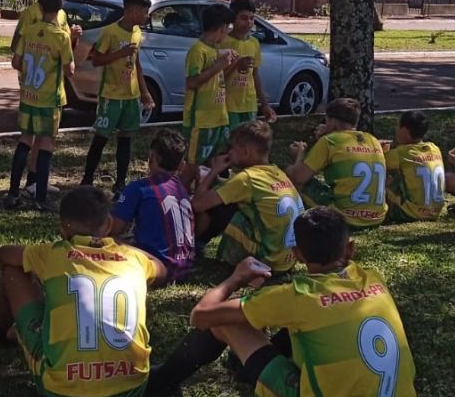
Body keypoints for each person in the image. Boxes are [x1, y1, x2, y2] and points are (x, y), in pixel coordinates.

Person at [150, 207, 418, 397]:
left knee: (225, 324)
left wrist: (235, 279)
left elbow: (201, 315)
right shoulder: (374, 279)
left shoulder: (297, 296)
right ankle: (245, 370)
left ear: (297, 254)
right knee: (309, 328)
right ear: (350, 249)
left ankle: (161, 381)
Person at [0, 185, 165, 397]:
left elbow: (4, 254)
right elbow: (161, 270)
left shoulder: (53, 253)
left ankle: (0, 331)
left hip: (63, 389)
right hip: (131, 387)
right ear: (109, 225)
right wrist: (123, 247)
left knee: (12, 270)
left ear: (63, 228)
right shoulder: (133, 258)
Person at [192, 119, 303, 274]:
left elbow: (197, 204)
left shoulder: (247, 179)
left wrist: (213, 171)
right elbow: (232, 187)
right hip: (289, 260)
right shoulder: (277, 173)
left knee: (221, 207)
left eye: (233, 148)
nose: (229, 152)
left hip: (269, 262)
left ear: (246, 152)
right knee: (226, 196)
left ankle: (194, 247)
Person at [10, 0, 82, 198]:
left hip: (33, 90)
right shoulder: (30, 16)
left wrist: (73, 38)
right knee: (44, 141)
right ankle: (39, 195)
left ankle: (26, 186)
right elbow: (67, 64)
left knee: (31, 138)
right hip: (46, 92)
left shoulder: (58, 20)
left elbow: (62, 47)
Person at [80, 0, 154, 197]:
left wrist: (144, 92)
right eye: (144, 12)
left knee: (126, 139)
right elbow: (97, 60)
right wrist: (119, 54)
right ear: (131, 11)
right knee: (101, 138)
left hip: (130, 96)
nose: (146, 16)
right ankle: (87, 178)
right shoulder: (110, 32)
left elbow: (137, 63)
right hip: (111, 95)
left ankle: (121, 181)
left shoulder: (138, 32)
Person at [107, 127, 195, 282]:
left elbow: (112, 228)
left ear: (152, 158)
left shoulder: (139, 188)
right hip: (186, 266)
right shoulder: (181, 189)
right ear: (181, 164)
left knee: (103, 241)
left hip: (157, 265)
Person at [286, 97, 388, 229]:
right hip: (377, 217)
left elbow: (299, 177)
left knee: (290, 174)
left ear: (332, 121)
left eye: (326, 120)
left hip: (345, 218)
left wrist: (299, 154)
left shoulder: (330, 141)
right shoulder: (372, 139)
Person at [182, 2, 236, 180]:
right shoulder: (197, 51)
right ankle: (178, 200)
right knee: (193, 164)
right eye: (228, 28)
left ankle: (200, 200)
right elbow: (192, 82)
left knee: (211, 163)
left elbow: (215, 78)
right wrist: (218, 66)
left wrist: (229, 65)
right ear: (221, 28)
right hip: (201, 120)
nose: (228, 32)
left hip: (218, 117)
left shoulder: (215, 49)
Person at [383, 111, 447, 223]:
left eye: (397, 126)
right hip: (435, 211)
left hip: (410, 212)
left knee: (384, 178)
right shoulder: (435, 149)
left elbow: (379, 164)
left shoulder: (398, 154)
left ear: (404, 131)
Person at [222, 0, 277, 127]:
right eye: (243, 18)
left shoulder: (254, 43)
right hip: (228, 105)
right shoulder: (222, 41)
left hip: (249, 104)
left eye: (252, 18)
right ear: (233, 18)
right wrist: (236, 65)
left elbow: (255, 74)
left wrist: (264, 104)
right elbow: (217, 76)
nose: (248, 22)